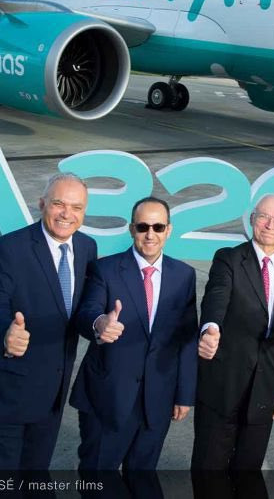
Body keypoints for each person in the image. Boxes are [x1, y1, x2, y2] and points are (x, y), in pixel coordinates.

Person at [0, 173, 98, 471]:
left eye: (76, 207)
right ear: (42, 204)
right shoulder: (9, 249)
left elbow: (82, 310)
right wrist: (5, 334)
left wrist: (99, 323)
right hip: (8, 386)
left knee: (35, 472)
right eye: (59, 204)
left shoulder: (87, 248)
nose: (67, 214)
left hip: (53, 389)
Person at [70, 196, 198, 471]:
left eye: (158, 227)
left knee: (141, 475)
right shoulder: (105, 269)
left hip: (158, 400)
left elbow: (187, 338)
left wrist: (184, 394)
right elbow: (87, 311)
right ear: (131, 229)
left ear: (168, 230)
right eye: (142, 227)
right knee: (98, 476)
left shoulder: (184, 275)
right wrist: (100, 323)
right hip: (108, 397)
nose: (150, 234)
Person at [191, 194, 274, 470]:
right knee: (209, 466)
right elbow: (216, 297)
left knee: (248, 469)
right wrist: (210, 328)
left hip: (266, 390)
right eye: (263, 217)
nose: (269, 224)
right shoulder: (229, 259)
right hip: (223, 384)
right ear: (252, 219)